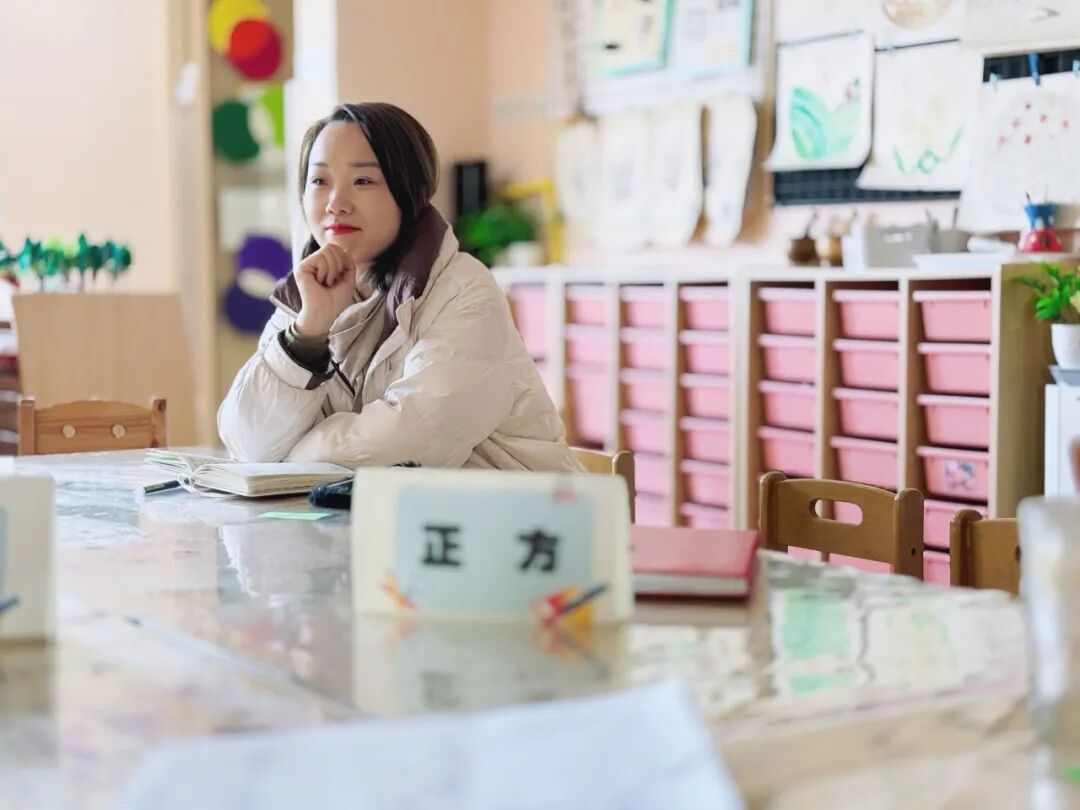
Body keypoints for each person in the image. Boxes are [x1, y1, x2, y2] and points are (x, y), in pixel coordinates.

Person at [218, 103, 581, 472]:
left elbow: (414, 439)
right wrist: (307, 336)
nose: (336, 204)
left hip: (521, 505)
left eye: (363, 181)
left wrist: (289, 458)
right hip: (384, 508)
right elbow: (248, 442)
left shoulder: (463, 290)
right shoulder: (304, 296)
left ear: (409, 191)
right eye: (319, 181)